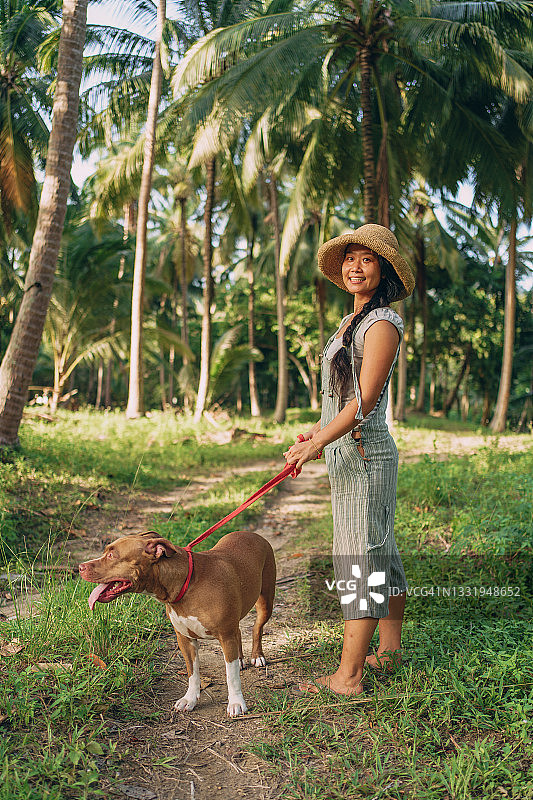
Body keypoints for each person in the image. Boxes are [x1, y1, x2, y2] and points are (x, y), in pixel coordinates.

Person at [283, 224, 415, 696]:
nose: (355, 266)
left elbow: (363, 402)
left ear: (384, 272)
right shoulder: (350, 322)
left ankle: (349, 676)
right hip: (345, 451)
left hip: (364, 455)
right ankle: (390, 653)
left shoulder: (382, 324)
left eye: (367, 259)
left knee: (359, 559)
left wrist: (318, 444)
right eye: (350, 258)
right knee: (381, 551)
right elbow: (339, 398)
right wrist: (318, 432)